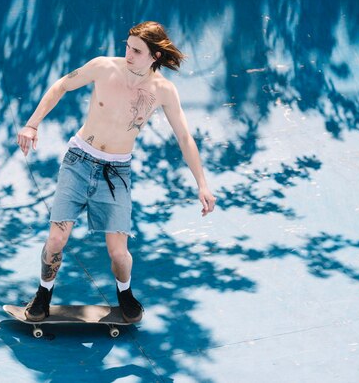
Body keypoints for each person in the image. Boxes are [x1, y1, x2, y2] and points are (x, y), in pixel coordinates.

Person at [16, 21, 216, 323]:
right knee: (57, 239)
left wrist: (202, 184)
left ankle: (125, 294)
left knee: (119, 253)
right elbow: (61, 85)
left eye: (136, 51)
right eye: (127, 46)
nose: (128, 54)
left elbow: (184, 138)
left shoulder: (163, 91)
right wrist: (32, 124)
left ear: (155, 56)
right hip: (78, 161)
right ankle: (43, 294)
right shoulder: (103, 67)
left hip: (117, 172)